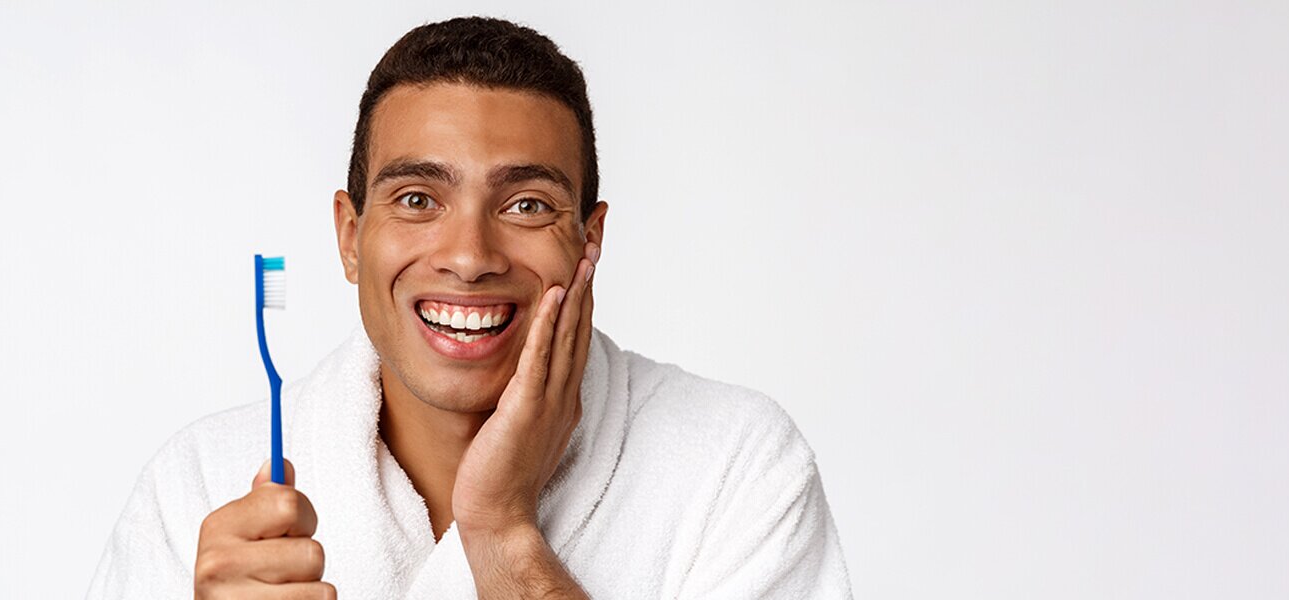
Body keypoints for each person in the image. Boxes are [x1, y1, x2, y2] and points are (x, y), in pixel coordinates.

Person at [88, 16, 851, 599]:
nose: (470, 255)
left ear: (589, 241)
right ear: (351, 238)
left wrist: (503, 533)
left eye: (525, 204)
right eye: (418, 199)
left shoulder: (737, 469)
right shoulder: (197, 488)